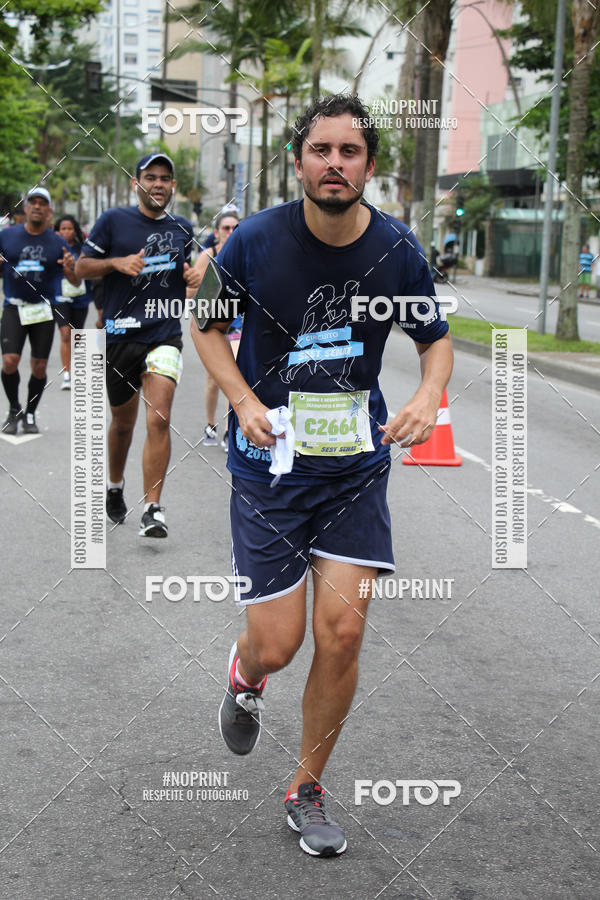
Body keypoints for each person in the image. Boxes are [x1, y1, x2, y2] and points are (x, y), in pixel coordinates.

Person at [191, 93, 453, 857]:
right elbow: (204, 322)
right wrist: (239, 399)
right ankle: (246, 674)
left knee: (341, 634)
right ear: (299, 161)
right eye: (321, 150)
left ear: (370, 164)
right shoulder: (255, 242)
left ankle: (306, 788)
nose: (334, 163)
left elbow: (434, 341)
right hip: (270, 467)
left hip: (353, 468)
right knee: (280, 644)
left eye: (349, 152)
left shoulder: (397, 249)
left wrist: (429, 394)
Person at [75, 153, 202, 537]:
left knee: (158, 417)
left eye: (165, 178)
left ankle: (153, 508)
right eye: (151, 177)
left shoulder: (183, 227)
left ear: (173, 186)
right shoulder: (113, 221)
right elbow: (81, 267)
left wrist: (194, 276)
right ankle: (115, 486)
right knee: (124, 423)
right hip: (120, 336)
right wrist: (116, 263)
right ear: (137, 183)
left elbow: (188, 276)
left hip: (164, 335)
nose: (158, 183)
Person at [0, 187, 79, 434]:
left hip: (43, 310)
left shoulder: (57, 242)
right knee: (10, 361)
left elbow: (75, 281)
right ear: (25, 208)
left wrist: (70, 268)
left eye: (41, 203)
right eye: (32, 202)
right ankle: (14, 409)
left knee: (39, 367)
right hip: (14, 306)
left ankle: (31, 414)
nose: (36, 206)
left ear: (49, 210)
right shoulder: (7, 237)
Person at [194, 209, 241, 448]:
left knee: (233, 371)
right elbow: (191, 290)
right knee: (213, 378)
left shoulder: (245, 253)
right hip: (214, 323)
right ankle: (210, 424)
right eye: (226, 228)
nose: (231, 232)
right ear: (216, 232)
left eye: (235, 228)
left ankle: (227, 430)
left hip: (239, 322)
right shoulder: (208, 255)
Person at [53, 215, 94, 390]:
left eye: (69, 228)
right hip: (58, 297)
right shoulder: (51, 249)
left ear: (75, 230)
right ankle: (67, 375)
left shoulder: (83, 249)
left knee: (76, 336)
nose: (66, 232)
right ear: (57, 231)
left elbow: (91, 268)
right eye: (63, 228)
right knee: (65, 333)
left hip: (80, 297)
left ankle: (75, 366)